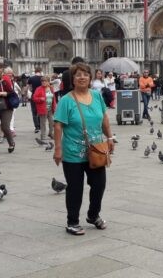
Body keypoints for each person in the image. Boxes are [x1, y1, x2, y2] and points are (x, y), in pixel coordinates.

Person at [53, 62, 114, 236]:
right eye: (78, 74)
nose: (82, 77)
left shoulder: (96, 96)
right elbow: (58, 126)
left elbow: (104, 118)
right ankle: (72, 222)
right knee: (75, 188)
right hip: (72, 152)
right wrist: (58, 149)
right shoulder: (66, 100)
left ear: (90, 78)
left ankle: (93, 215)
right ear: (72, 79)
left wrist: (109, 137)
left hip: (96, 150)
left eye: (85, 74)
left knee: (99, 185)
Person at [33, 75, 55, 142]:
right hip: (43, 108)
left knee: (52, 122)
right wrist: (40, 99)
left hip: (50, 108)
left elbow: (54, 99)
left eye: (45, 81)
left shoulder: (51, 88)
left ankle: (51, 133)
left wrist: (55, 106)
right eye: (42, 81)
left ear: (48, 82)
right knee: (43, 123)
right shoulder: (38, 89)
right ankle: (43, 136)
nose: (43, 82)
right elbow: (34, 98)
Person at [27, 67, 44, 134]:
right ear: (40, 71)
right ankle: (41, 126)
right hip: (42, 96)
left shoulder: (31, 78)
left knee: (34, 112)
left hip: (34, 95)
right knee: (40, 111)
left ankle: (37, 127)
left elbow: (29, 87)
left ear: (35, 71)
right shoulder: (43, 78)